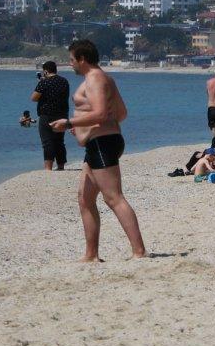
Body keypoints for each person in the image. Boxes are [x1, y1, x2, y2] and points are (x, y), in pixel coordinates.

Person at [50, 39, 146, 261]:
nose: (70, 64)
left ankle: (139, 252)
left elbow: (102, 113)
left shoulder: (94, 79)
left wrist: (70, 123)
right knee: (85, 199)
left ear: (82, 59)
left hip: (103, 144)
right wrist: (85, 125)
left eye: (72, 60)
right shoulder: (105, 78)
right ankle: (91, 255)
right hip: (102, 142)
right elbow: (121, 113)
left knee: (114, 198)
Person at [32, 60, 70, 171]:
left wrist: (41, 83)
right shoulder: (64, 81)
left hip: (47, 114)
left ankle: (48, 167)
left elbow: (34, 98)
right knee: (59, 141)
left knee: (47, 141)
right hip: (62, 114)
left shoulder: (44, 83)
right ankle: (61, 165)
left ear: (45, 71)